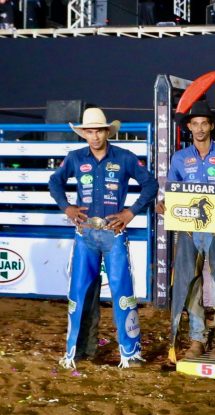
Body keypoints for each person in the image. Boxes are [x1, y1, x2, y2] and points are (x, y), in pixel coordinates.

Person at [49, 107, 158, 369]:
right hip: (85, 233)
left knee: (123, 293)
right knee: (80, 291)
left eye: (99, 130)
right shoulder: (75, 158)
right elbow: (55, 182)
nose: (95, 136)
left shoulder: (124, 157)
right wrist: (67, 207)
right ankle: (79, 352)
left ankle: (130, 353)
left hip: (114, 233)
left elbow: (150, 184)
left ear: (107, 131)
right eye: (89, 131)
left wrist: (130, 212)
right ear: (83, 133)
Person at [156, 100, 215, 360]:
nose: (200, 128)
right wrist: (165, 204)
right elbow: (172, 190)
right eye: (195, 123)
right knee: (190, 283)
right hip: (187, 230)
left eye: (204, 122)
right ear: (189, 127)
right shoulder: (180, 158)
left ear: (212, 125)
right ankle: (197, 338)